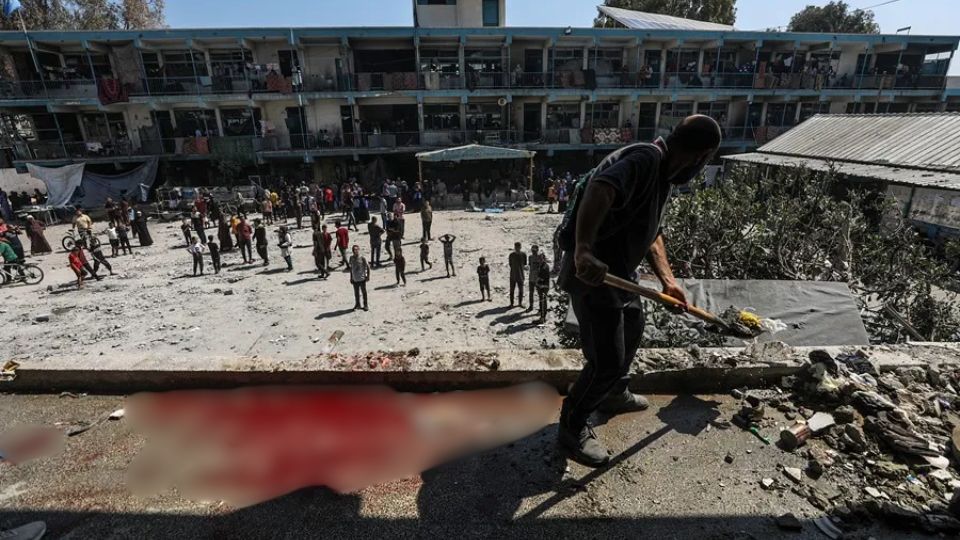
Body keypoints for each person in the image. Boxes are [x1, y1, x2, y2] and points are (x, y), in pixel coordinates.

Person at [555, 114, 722, 467]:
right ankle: (572, 427)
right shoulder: (645, 160)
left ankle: (613, 394)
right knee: (606, 361)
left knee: (633, 329)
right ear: (699, 156)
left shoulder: (661, 175)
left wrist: (668, 281)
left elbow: (652, 233)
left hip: (622, 276)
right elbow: (601, 188)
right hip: (594, 276)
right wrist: (584, 248)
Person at [348, 245, 370, 311]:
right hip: (355, 278)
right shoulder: (351, 258)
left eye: (357, 249)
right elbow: (351, 268)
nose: (356, 251)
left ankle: (365, 305)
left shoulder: (362, 258)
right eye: (354, 250)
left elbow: (368, 267)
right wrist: (351, 277)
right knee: (356, 293)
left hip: (362, 278)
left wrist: (368, 276)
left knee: (364, 292)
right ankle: (357, 304)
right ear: (353, 251)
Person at [508, 242, 527, 308]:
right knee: (512, 290)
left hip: (521, 275)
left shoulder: (523, 255)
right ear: (514, 247)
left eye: (518, 247)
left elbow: (524, 264)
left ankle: (520, 303)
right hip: (513, 275)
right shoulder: (511, 255)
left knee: (521, 290)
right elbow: (510, 264)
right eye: (516, 247)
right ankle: (511, 304)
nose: (517, 248)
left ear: (520, 247)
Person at [536, 252, 550, 323]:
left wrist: (537, 281)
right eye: (539, 259)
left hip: (543, 287)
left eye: (541, 258)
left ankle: (542, 318)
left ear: (544, 259)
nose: (540, 260)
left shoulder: (544, 267)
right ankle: (542, 314)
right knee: (542, 301)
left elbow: (541, 278)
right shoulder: (542, 265)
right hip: (541, 287)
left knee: (543, 302)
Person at [527, 245, 542, 312]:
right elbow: (530, 265)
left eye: (534, 251)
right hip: (531, 277)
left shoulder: (540, 257)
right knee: (531, 293)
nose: (533, 252)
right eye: (532, 250)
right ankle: (531, 306)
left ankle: (541, 308)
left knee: (540, 293)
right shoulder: (530, 257)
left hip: (538, 278)